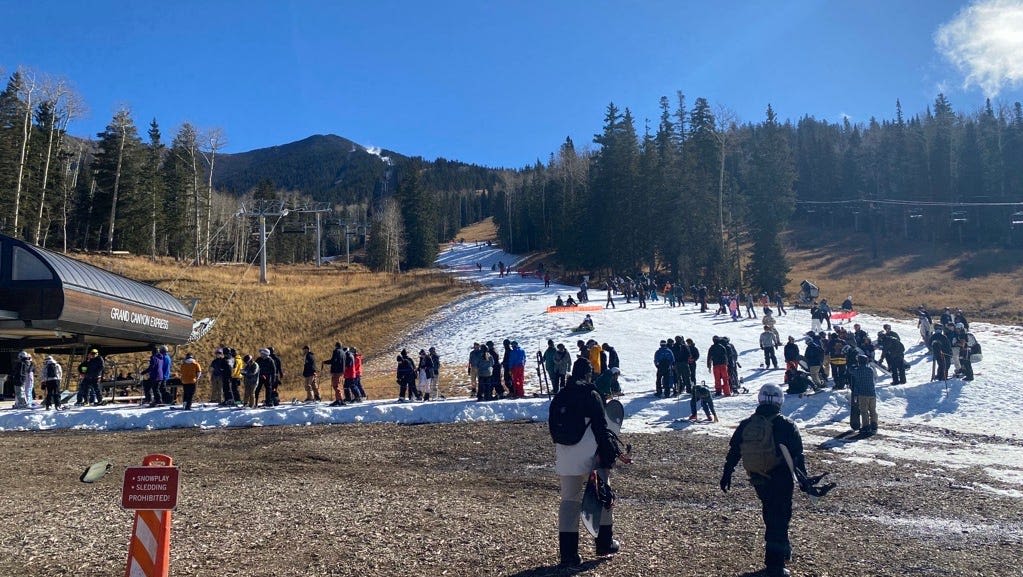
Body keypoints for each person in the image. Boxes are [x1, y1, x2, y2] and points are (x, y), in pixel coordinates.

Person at [720, 384, 827, 577]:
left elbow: (734, 450)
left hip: (758, 477)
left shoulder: (747, 424)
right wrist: (805, 482)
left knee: (771, 513)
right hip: (781, 478)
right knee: (778, 519)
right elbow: (797, 457)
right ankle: (775, 566)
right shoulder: (785, 424)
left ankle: (782, 552)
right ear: (780, 401)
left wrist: (727, 473)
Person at [552, 374, 621, 567]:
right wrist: (608, 455)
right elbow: (601, 426)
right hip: (590, 453)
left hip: (565, 455)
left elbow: (552, 429)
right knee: (602, 494)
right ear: (588, 374)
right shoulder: (592, 394)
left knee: (569, 501)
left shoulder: (560, 396)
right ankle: (604, 544)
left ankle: (568, 555)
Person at [848, 351, 877, 433]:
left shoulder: (858, 371)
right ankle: (874, 424)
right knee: (872, 410)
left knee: (864, 411)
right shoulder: (870, 370)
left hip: (863, 393)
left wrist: (852, 366)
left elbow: (851, 371)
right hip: (872, 392)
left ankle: (866, 426)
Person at [323, 342, 347, 406]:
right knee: (339, 385)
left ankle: (339, 400)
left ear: (336, 346)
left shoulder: (336, 351)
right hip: (342, 371)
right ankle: (340, 399)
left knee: (336, 386)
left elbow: (333, 360)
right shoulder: (343, 352)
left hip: (336, 371)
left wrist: (325, 362)